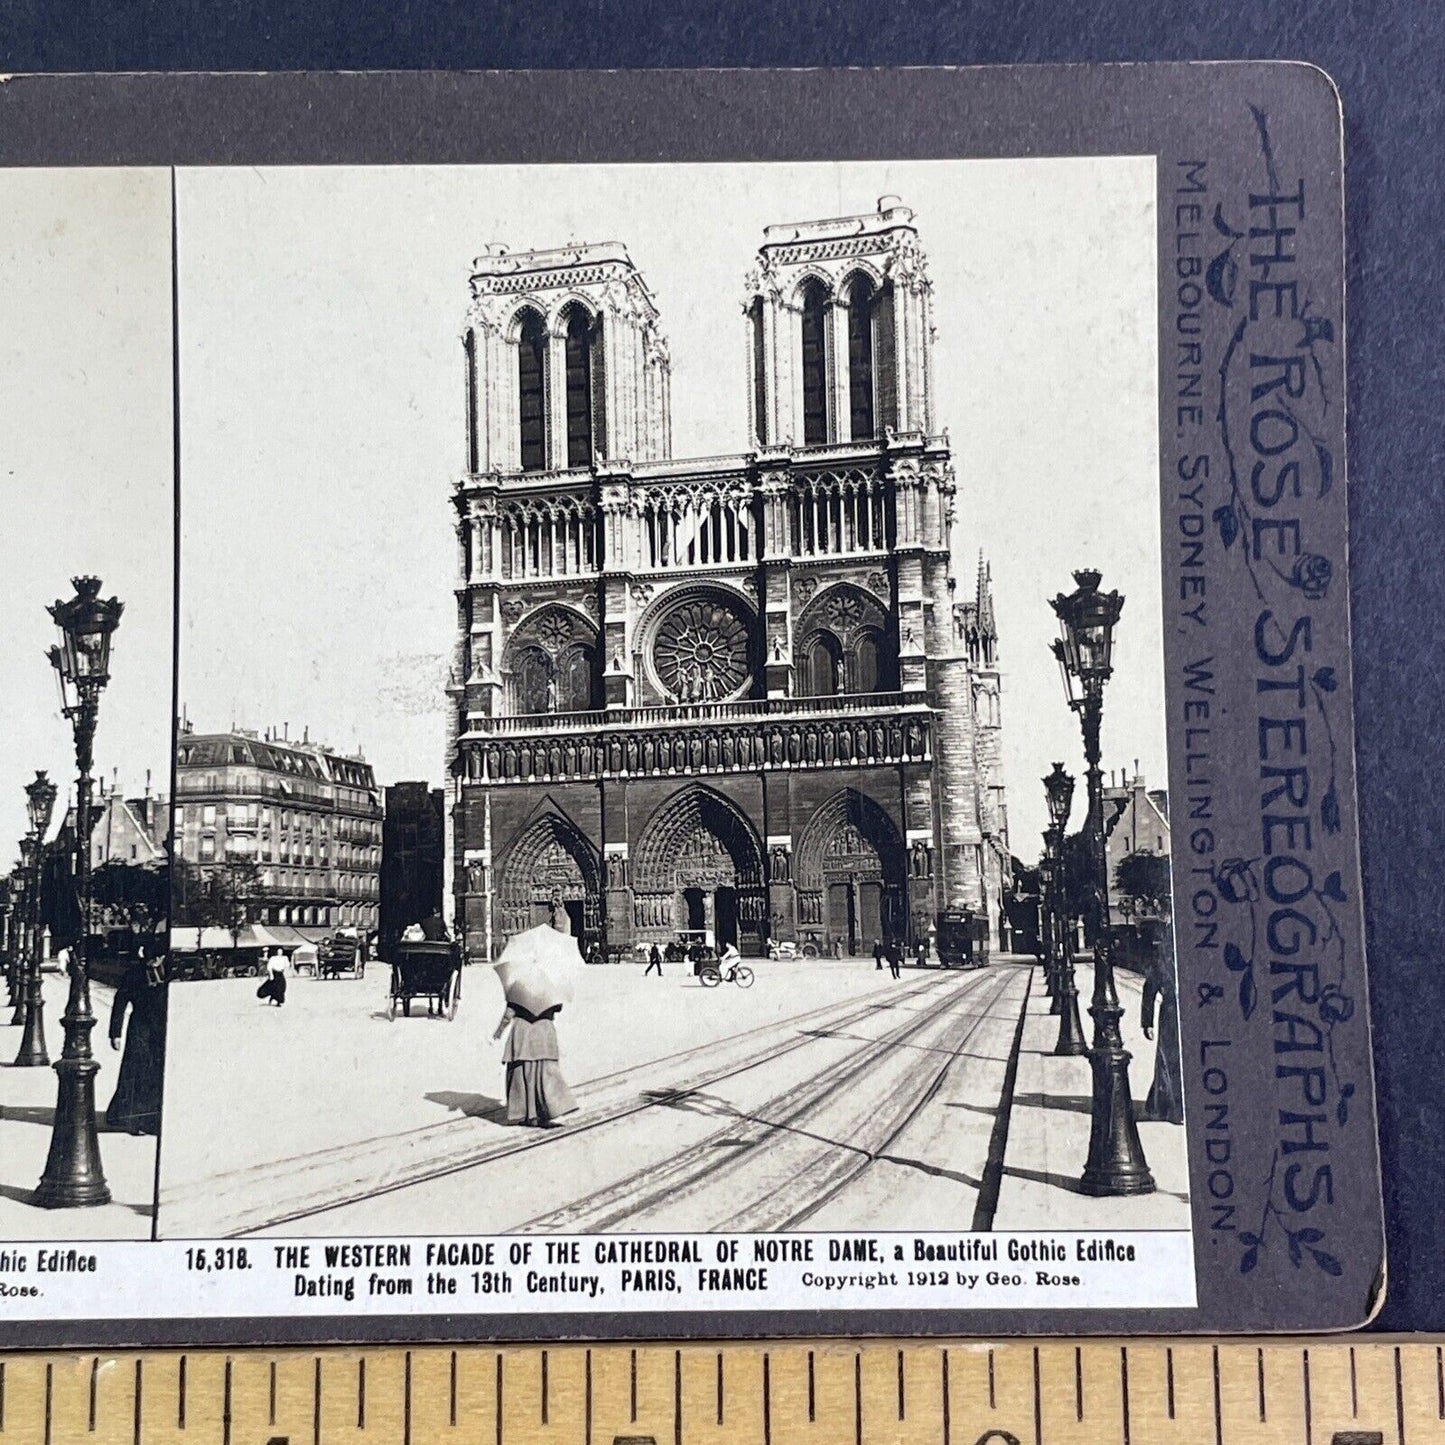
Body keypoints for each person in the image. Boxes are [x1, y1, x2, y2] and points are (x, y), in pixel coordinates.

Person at [107, 950, 166, 1135]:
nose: (155, 962)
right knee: (137, 1071)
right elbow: (120, 1001)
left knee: (156, 1073)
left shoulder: (169, 972)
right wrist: (115, 1033)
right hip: (139, 1028)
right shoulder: (134, 974)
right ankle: (136, 1121)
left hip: (161, 1029)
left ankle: (151, 1119)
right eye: (151, 959)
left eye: (157, 958)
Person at [493, 999, 578, 1127]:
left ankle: (529, 1116)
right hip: (544, 1033)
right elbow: (558, 1008)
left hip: (523, 1033)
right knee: (544, 1075)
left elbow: (509, 1012)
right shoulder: (549, 988)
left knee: (523, 1075)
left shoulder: (519, 988)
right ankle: (545, 1113)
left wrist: (499, 1031)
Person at [1139, 925, 1184, 1124]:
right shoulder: (1163, 961)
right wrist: (1146, 1023)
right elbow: (1149, 989)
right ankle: (1176, 1110)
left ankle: (1159, 1103)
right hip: (1170, 1016)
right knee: (1170, 1062)